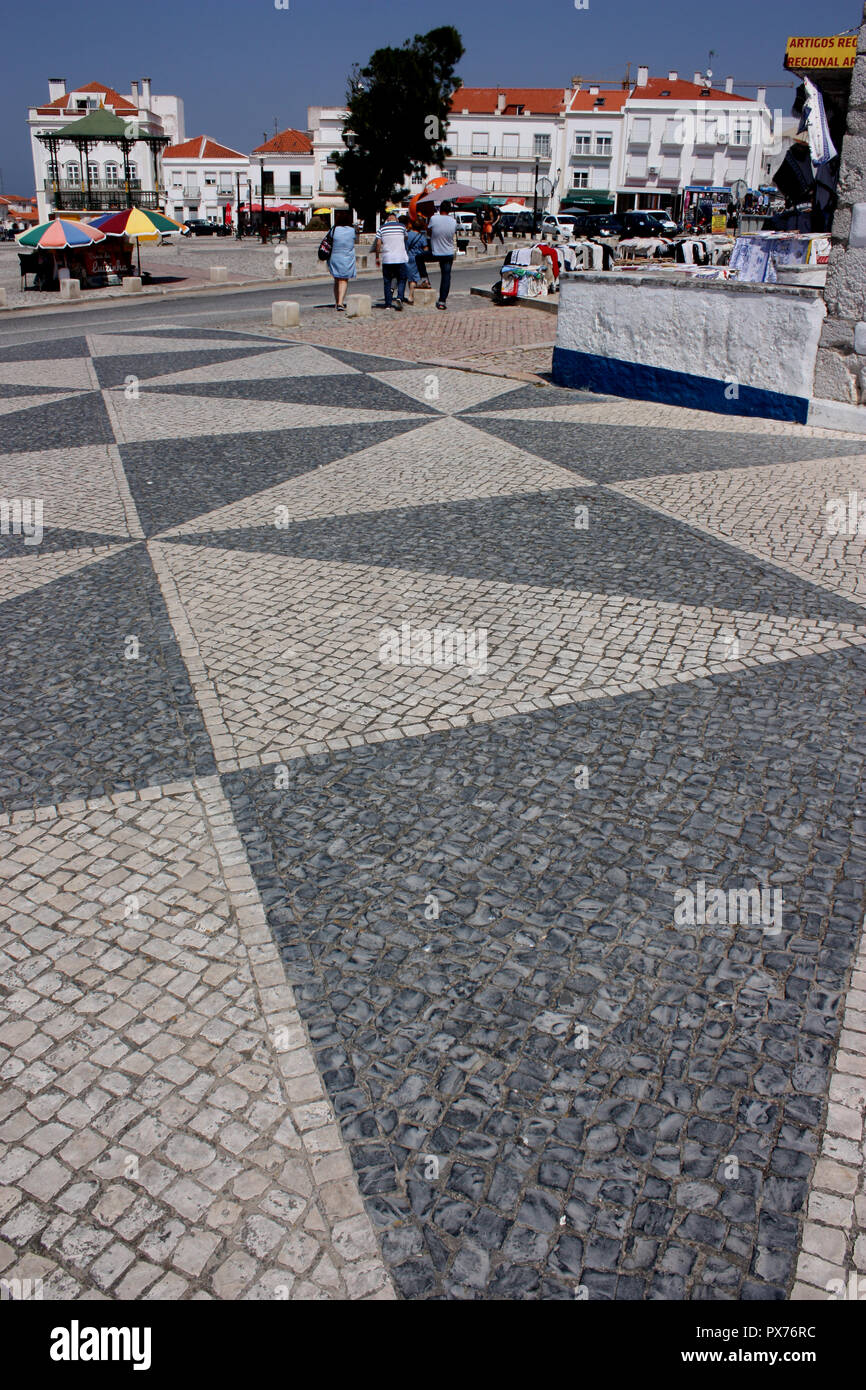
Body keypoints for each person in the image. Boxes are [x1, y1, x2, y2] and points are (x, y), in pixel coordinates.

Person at [373, 210, 409, 309]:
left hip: (387, 258)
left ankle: (388, 303)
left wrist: (377, 257)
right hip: (400, 258)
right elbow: (406, 238)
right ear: (396, 219)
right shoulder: (402, 226)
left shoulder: (382, 228)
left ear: (388, 219)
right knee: (402, 278)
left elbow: (378, 244)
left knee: (387, 281)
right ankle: (400, 297)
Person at [428, 200, 457, 310]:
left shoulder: (434, 218)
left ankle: (424, 278)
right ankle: (442, 301)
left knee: (418, 257)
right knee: (446, 277)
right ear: (449, 210)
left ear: (440, 209)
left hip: (435, 251)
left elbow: (430, 232)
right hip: (448, 252)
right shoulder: (453, 221)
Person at [327, 208, 356, 311]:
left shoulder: (333, 230)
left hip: (334, 257)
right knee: (343, 279)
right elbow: (354, 241)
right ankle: (340, 303)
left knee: (336, 279)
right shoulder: (352, 231)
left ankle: (337, 301)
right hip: (347, 257)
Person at [402, 218, 429, 305]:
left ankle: (409, 295)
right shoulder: (422, 237)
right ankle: (411, 296)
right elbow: (425, 249)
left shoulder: (407, 235)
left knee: (410, 277)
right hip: (417, 258)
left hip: (407, 257)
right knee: (414, 278)